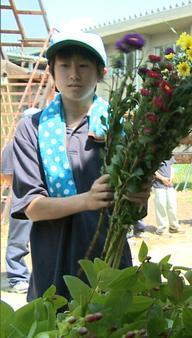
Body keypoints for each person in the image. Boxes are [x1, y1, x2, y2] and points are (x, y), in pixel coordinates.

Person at [10, 31, 150, 301]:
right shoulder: (32, 128)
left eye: (84, 65)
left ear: (101, 73)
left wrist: (138, 195)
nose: (73, 74)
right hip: (52, 265)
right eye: (64, 65)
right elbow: (31, 207)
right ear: (51, 72)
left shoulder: (119, 126)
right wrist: (86, 200)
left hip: (109, 261)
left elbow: (135, 208)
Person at [1, 140, 32, 294]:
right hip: (23, 198)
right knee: (19, 239)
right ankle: (17, 277)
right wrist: (23, 191)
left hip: (45, 197)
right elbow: (7, 174)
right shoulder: (13, 146)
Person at [153, 156, 182, 235]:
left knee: (172, 206)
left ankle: (174, 226)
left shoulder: (169, 153)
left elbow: (171, 167)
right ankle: (162, 229)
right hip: (159, 185)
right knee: (161, 206)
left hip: (169, 185)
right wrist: (162, 179)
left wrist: (171, 179)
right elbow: (153, 170)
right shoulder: (155, 154)